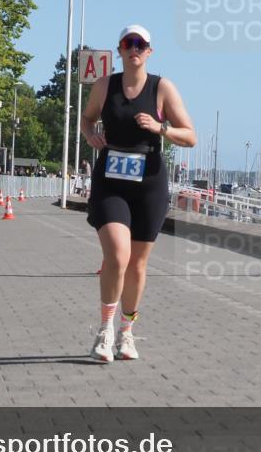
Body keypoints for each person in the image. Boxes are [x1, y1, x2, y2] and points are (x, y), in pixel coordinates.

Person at [80, 25, 196, 362]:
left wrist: (161, 128)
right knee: (118, 256)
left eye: (140, 44)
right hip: (111, 179)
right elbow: (87, 119)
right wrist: (90, 135)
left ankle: (127, 334)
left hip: (149, 181)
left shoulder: (162, 88)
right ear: (119, 50)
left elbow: (190, 136)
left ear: (149, 51)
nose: (134, 49)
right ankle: (104, 331)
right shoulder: (105, 85)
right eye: (128, 43)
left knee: (138, 266)